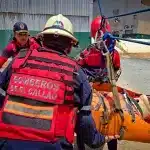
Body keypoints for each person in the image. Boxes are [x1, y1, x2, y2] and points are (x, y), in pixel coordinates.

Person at [0, 14, 119, 150]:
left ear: (42, 40)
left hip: (6, 144)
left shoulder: (18, 61)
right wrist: (100, 139)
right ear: (70, 45)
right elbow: (84, 124)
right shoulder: (76, 73)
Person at [76, 16, 121, 150]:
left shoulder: (86, 53)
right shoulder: (114, 54)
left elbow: (77, 68)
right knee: (112, 121)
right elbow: (117, 69)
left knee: (82, 119)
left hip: (90, 94)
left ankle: (81, 145)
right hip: (107, 91)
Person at [77, 16, 121, 83]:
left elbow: (117, 69)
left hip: (104, 86)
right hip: (89, 85)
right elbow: (77, 68)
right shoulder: (87, 53)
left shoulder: (113, 54)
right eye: (98, 37)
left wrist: (111, 79)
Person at [0, 21, 41, 89]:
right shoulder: (11, 47)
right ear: (15, 35)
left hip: (31, 75)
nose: (23, 37)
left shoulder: (34, 45)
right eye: (20, 34)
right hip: (16, 75)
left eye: (25, 34)